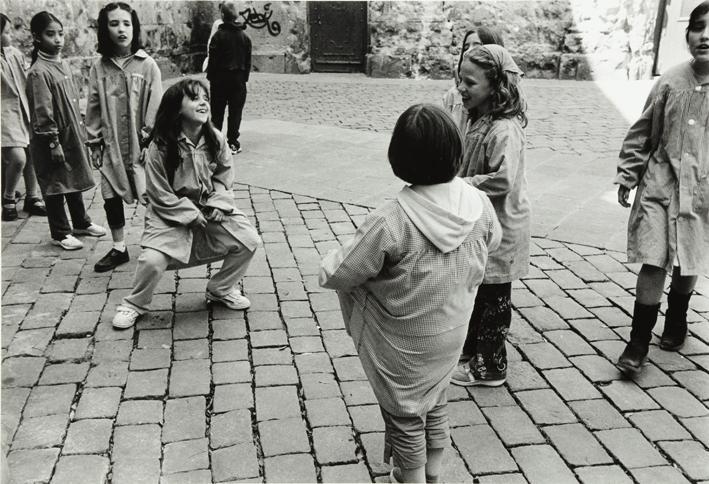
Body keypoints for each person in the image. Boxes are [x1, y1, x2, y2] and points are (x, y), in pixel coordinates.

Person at [320, 104, 501, 483]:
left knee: (403, 414)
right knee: (435, 400)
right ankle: (434, 471)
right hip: (450, 335)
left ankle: (413, 478)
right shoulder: (478, 203)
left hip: (404, 345)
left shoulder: (392, 220)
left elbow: (344, 271)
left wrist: (326, 263)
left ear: (398, 156)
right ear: (455, 151)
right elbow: (494, 240)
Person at [111, 79, 261, 329]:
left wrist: (218, 203)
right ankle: (135, 303)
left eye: (206, 98)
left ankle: (220, 289)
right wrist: (188, 214)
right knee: (152, 260)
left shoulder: (215, 138)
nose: (203, 102)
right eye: (194, 98)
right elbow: (158, 192)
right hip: (168, 212)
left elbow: (224, 176)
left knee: (249, 239)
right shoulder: (160, 145)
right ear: (176, 108)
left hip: (208, 207)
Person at [615, 0, 709, 376]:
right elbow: (642, 131)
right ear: (687, 36)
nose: (707, 36)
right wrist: (628, 172)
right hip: (660, 185)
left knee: (689, 255)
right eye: (699, 27)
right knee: (654, 259)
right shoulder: (670, 81)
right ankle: (638, 340)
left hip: (702, 192)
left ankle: (678, 316)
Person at [450, 45, 531, 387]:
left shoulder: (503, 130)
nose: (461, 89)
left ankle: (491, 367)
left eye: (470, 83)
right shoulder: (476, 118)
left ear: (495, 86)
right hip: (483, 226)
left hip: (503, 228)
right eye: (460, 80)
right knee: (479, 292)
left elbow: (502, 178)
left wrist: (458, 184)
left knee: (494, 300)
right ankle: (471, 352)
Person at [85, 2, 163, 272]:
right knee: (109, 194)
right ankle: (119, 247)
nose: (121, 29)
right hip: (111, 143)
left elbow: (156, 105)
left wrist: (150, 140)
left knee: (150, 193)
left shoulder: (148, 66)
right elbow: (93, 106)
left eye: (126, 23)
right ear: (105, 29)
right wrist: (94, 141)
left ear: (135, 27)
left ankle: (158, 243)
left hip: (141, 144)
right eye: (114, 23)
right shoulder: (99, 68)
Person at [25, 11, 106, 250]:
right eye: (51, 34)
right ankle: (60, 232)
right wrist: (52, 142)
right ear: (37, 37)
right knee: (54, 183)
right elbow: (42, 111)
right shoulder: (39, 72)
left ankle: (81, 222)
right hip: (51, 138)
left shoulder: (62, 65)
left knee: (73, 177)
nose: (58, 39)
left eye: (60, 34)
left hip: (70, 133)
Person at [1, 13, 46, 221]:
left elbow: (26, 77)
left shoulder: (14, 54)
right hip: (4, 115)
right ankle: (8, 198)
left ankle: (32, 196)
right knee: (17, 158)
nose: (11, 35)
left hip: (24, 109)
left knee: (32, 153)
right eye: (7, 32)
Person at [206, 1, 251, 154]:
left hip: (219, 81)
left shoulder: (218, 36)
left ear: (222, 16)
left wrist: (211, 78)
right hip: (238, 81)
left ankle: (216, 143)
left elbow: (212, 60)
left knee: (217, 113)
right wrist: (244, 78)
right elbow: (248, 61)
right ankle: (233, 142)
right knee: (235, 113)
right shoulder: (245, 37)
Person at [442, 26, 505, 135]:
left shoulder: (504, 122)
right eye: (466, 47)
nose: (467, 52)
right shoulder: (453, 95)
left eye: (477, 46)